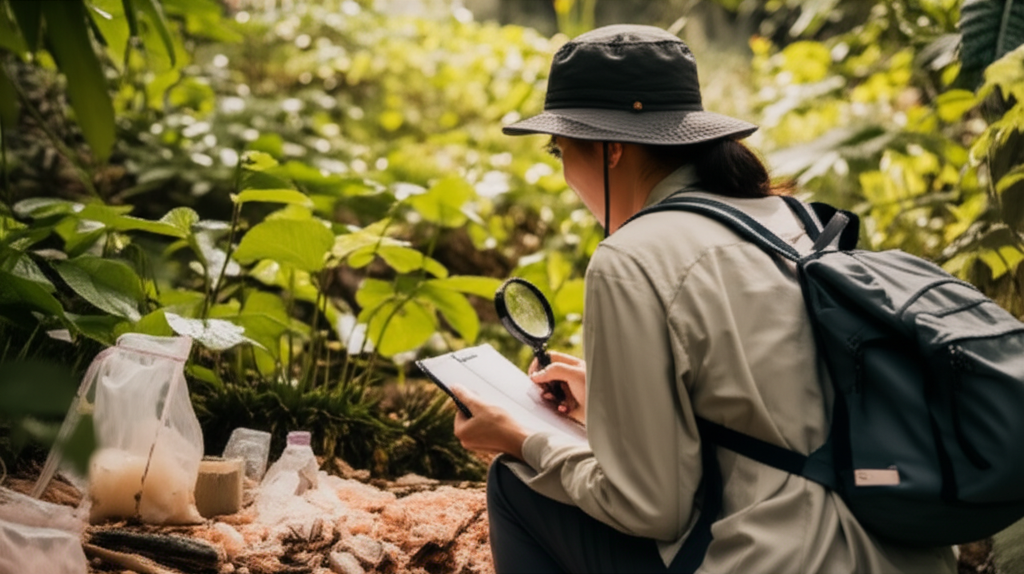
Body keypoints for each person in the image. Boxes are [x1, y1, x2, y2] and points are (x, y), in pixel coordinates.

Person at [449, 24, 956, 573]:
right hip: (902, 546)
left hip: (780, 560)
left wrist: (522, 439)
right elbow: (774, 402)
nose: (565, 172)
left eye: (559, 149)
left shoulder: (630, 257)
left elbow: (651, 508)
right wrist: (607, 402)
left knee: (514, 483)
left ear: (610, 149)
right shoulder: (797, 220)